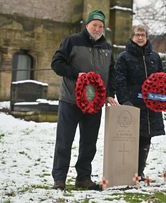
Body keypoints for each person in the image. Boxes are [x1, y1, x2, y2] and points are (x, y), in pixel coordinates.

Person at [51, 10, 118, 190]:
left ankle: (83, 178)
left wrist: (110, 93)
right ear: (87, 25)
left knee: (89, 143)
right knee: (64, 141)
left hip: (95, 103)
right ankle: (59, 179)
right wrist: (76, 74)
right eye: (94, 25)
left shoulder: (107, 47)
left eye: (101, 26)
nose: (97, 28)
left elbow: (112, 73)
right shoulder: (72, 41)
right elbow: (56, 63)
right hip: (71, 100)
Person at [115, 24, 165, 181]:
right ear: (132, 37)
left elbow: (161, 80)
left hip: (151, 105)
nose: (140, 37)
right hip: (133, 104)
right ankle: (128, 171)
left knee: (146, 137)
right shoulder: (124, 57)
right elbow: (120, 80)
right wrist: (124, 101)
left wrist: (162, 100)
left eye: (143, 35)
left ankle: (140, 171)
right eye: (137, 35)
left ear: (147, 37)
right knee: (131, 138)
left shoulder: (155, 57)